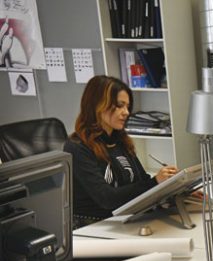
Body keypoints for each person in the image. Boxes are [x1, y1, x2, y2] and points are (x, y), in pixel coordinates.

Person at [64, 75, 177, 227]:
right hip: (94, 226)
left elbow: (141, 182)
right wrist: (155, 181)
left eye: (127, 107)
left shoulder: (120, 140)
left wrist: (176, 192)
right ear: (97, 105)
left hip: (127, 219)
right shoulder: (77, 147)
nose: (126, 112)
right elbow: (106, 198)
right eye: (119, 105)